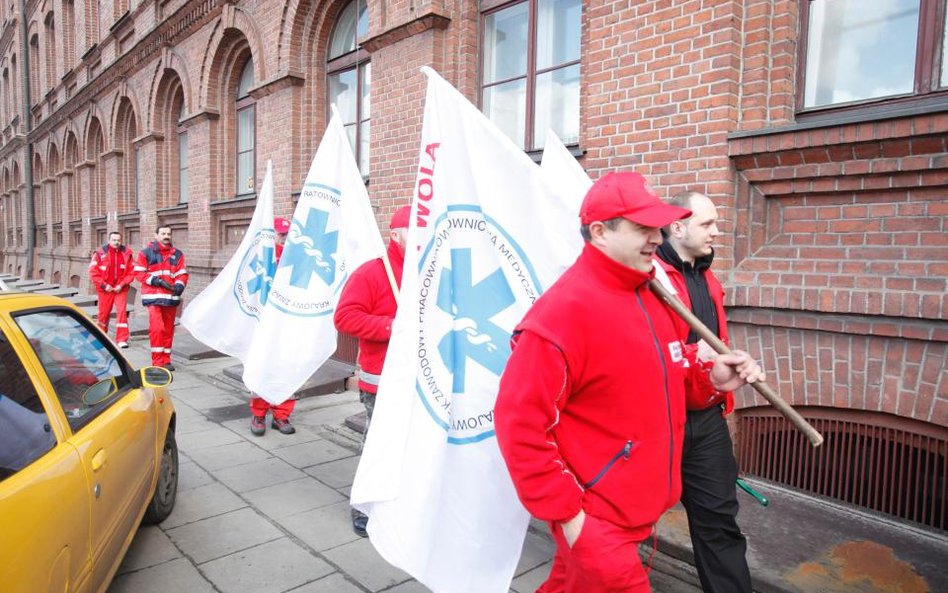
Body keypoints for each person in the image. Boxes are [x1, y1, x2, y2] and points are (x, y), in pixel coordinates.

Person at [494, 172, 764, 593]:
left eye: (658, 226)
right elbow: (519, 425)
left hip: (636, 510)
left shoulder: (650, 293)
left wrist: (710, 376)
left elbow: (665, 376)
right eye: (642, 227)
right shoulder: (561, 317)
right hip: (598, 521)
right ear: (600, 232)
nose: (657, 238)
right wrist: (572, 517)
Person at [655, 190, 751, 593]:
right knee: (630, 521)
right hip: (662, 422)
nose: (717, 231)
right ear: (677, 227)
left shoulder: (707, 276)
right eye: (707, 223)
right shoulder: (652, 278)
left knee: (719, 523)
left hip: (707, 420)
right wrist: (695, 357)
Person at [334, 205, 410, 537]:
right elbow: (345, 318)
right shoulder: (372, 273)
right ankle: (364, 507)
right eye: (414, 232)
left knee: (410, 446)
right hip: (381, 380)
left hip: (417, 379)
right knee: (378, 445)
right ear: (395, 234)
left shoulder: (431, 271)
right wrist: (392, 326)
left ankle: (401, 502)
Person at [249, 217, 297, 436]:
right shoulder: (263, 257)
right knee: (262, 366)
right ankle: (259, 414)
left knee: (287, 368)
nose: (285, 240)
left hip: (288, 323)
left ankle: (281, 415)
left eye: (288, 235)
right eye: (281, 235)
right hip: (265, 322)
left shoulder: (294, 258)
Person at [134, 225, 187, 370]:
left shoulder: (178, 254)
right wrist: (157, 281)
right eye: (163, 233)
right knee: (157, 329)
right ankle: (157, 362)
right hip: (153, 297)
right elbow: (139, 273)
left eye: (168, 234)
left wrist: (180, 285)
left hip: (171, 297)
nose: (166, 236)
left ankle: (166, 359)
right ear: (156, 235)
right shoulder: (146, 253)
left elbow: (182, 273)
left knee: (169, 329)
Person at [88, 231, 135, 348]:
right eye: (114, 240)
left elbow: (131, 272)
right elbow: (93, 272)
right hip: (105, 290)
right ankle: (101, 338)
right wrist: (104, 285)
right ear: (109, 241)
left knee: (121, 313)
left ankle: (122, 339)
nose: (116, 242)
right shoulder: (99, 254)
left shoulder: (127, 253)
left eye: (118, 240)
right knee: (103, 314)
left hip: (120, 289)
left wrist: (122, 284)